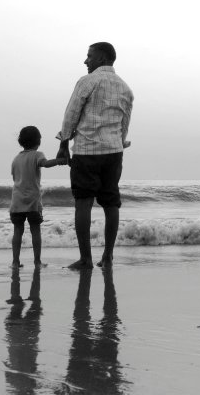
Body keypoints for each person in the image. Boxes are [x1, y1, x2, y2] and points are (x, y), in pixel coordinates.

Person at [56, 42, 134, 270]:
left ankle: (86, 259)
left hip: (87, 151)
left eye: (89, 56)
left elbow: (72, 112)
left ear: (101, 58)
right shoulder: (126, 88)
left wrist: (63, 141)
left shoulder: (88, 81)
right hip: (114, 152)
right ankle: (108, 256)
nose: (85, 60)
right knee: (111, 203)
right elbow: (124, 122)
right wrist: (119, 143)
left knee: (83, 202)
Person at [10, 125, 67, 267]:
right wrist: (59, 161)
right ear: (38, 141)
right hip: (33, 202)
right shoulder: (37, 155)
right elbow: (45, 164)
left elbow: (15, 178)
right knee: (35, 231)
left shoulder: (16, 159)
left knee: (18, 231)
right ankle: (37, 261)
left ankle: (15, 262)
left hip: (16, 201)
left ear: (21, 141)